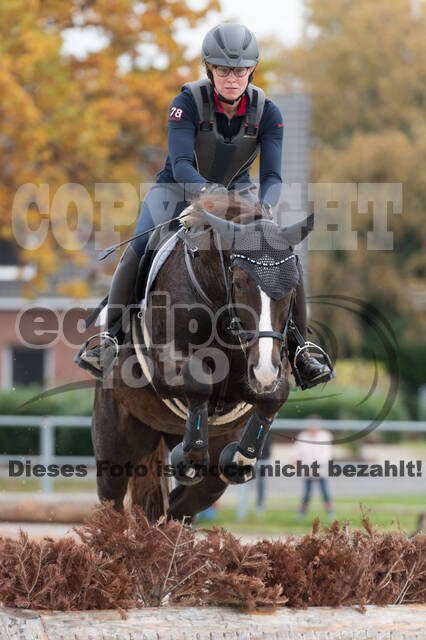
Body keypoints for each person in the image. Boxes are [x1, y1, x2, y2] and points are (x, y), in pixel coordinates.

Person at [75, 23, 333, 390]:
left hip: (240, 194)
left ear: (251, 71)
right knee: (138, 248)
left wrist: (265, 207)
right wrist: (208, 193)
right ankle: (109, 338)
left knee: (281, 254)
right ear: (210, 69)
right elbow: (181, 165)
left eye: (240, 71)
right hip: (177, 190)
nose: (232, 78)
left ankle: (300, 349)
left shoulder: (269, 113)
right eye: (224, 70)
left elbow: (273, 176)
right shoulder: (186, 104)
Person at [291, 415, 335, 520]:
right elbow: (297, 450)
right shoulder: (303, 436)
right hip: (307, 470)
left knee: (325, 493)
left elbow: (326, 453)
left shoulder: (324, 436)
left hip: (321, 469)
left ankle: (330, 513)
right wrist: (294, 459)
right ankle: (302, 513)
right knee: (306, 494)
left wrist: (318, 464)